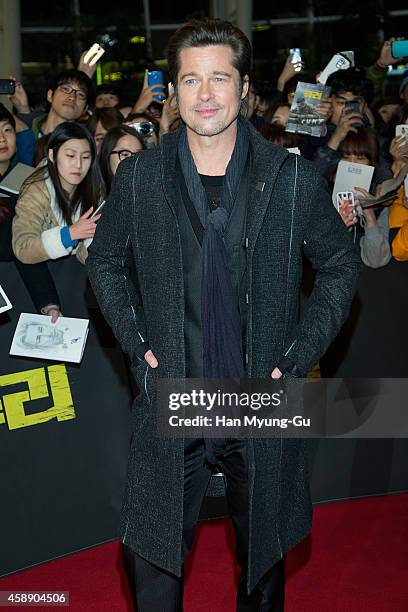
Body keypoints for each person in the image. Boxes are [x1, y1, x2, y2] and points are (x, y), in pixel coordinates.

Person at [86, 18, 361, 611]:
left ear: (242, 89)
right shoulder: (140, 178)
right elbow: (104, 264)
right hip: (172, 395)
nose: (204, 93)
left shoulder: (287, 178)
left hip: (260, 399)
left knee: (262, 569)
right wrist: (138, 343)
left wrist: (297, 354)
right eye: (190, 80)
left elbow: (340, 267)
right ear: (174, 92)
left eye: (218, 78)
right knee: (152, 567)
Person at [12, 122, 103, 268]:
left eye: (85, 157)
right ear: (52, 155)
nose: (78, 164)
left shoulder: (94, 189)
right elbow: (22, 248)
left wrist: (93, 241)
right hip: (35, 272)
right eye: (70, 155)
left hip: (72, 275)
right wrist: (69, 234)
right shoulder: (36, 191)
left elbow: (83, 255)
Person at [0, 103, 61, 319]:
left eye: (7, 129)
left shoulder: (32, 181)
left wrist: (48, 302)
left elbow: (27, 244)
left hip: (22, 290)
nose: (2, 138)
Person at [99, 125, 145, 194]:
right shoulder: (93, 197)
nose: (132, 161)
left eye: (137, 155)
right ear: (107, 156)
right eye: (125, 154)